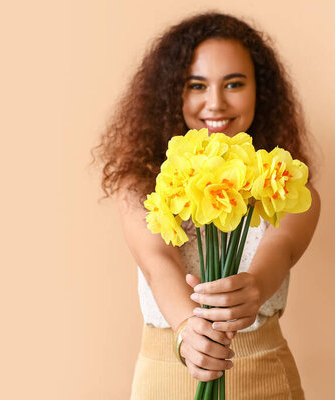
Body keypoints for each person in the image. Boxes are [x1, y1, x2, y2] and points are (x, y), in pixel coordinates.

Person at [92, 11, 320, 399]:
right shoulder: (140, 185)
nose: (214, 103)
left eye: (233, 84)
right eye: (196, 85)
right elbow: (157, 262)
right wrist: (187, 331)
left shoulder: (286, 184)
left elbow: (278, 251)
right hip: (164, 378)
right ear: (170, 93)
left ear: (258, 91)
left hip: (262, 377)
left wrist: (252, 290)